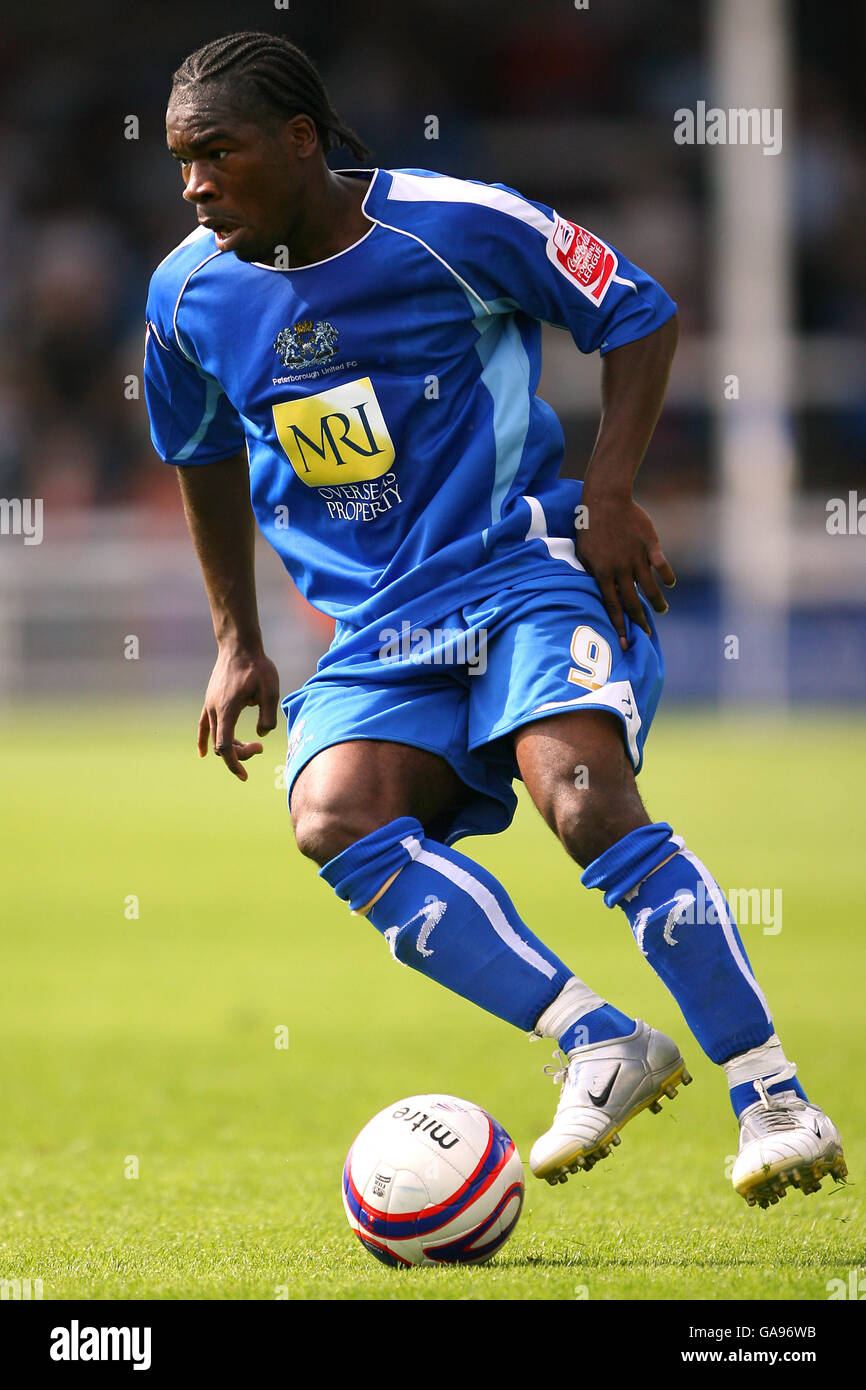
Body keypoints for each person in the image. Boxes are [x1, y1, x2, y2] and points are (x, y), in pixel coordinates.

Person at [144, 31, 846, 1207]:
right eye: (179, 163)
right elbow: (200, 449)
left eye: (216, 154)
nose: (194, 186)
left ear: (301, 142)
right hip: (378, 624)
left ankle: (772, 1097)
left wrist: (613, 494)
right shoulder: (186, 291)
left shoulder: (452, 222)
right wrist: (235, 637)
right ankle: (596, 1037)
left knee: (575, 790)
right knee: (330, 813)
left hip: (518, 563)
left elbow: (635, 310)